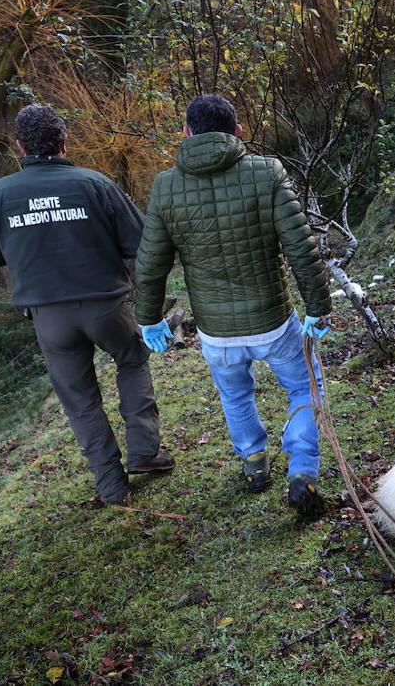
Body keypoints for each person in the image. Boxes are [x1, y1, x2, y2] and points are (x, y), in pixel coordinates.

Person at [133, 94, 333, 514]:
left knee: (235, 395)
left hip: (216, 331)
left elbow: (151, 265)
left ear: (186, 133)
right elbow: (301, 248)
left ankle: (254, 462)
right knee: (302, 386)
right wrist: (317, 305)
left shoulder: (166, 187)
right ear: (238, 132)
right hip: (274, 321)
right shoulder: (267, 173)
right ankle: (301, 469)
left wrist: (148, 318)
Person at [0, 104, 173, 506]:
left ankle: (111, 487)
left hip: (48, 316)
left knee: (80, 400)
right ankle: (145, 453)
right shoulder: (94, 183)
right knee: (132, 361)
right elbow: (139, 241)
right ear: (64, 142)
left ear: (19, 146)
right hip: (107, 303)